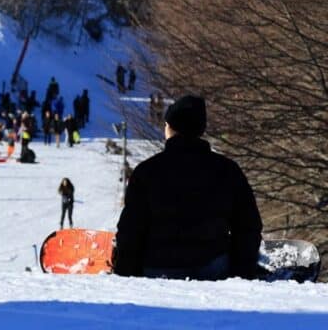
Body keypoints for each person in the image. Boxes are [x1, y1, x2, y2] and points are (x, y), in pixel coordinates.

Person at [113, 95, 263, 280]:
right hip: (213, 267)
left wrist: (124, 273)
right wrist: (243, 271)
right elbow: (248, 225)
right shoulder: (227, 170)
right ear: (201, 128)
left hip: (157, 267)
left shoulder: (147, 171)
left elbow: (131, 229)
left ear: (169, 126)